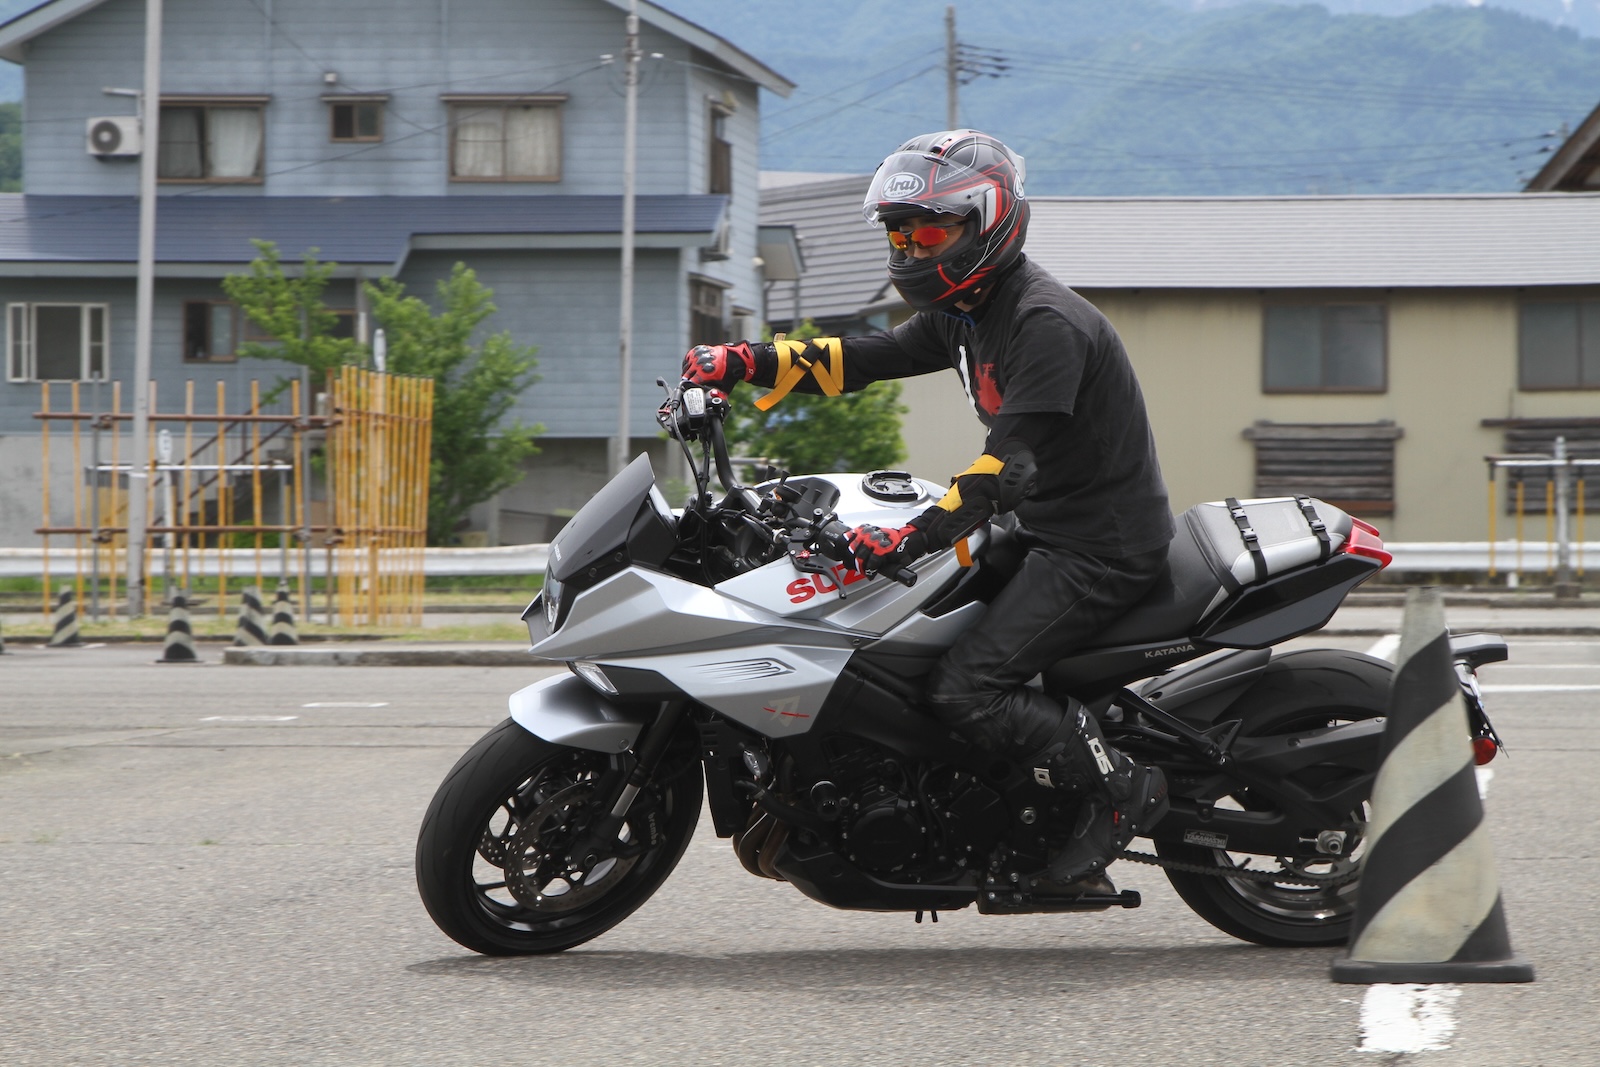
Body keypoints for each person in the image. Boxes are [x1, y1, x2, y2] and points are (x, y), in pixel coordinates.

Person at [681, 129, 1172, 892]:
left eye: (929, 233)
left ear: (987, 222)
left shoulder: (1044, 323)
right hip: (1040, 529)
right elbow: (863, 357)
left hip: (1098, 548)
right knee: (900, 650)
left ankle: (1118, 797)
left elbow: (1002, 471)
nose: (910, 248)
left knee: (965, 687)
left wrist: (907, 539)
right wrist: (745, 359)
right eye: (900, 233)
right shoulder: (966, 310)